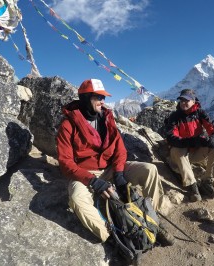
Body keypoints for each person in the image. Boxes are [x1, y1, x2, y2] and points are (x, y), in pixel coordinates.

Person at [56, 78, 174, 246]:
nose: (102, 101)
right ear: (85, 98)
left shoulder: (106, 118)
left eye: (103, 97)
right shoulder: (68, 125)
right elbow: (65, 162)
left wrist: (119, 173)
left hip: (111, 168)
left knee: (149, 170)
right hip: (86, 174)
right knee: (76, 199)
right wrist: (93, 181)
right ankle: (116, 238)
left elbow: (119, 148)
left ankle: (151, 219)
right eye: (98, 97)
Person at [165, 89, 214, 202]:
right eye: (181, 100)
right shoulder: (174, 117)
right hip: (180, 156)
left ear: (193, 101)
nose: (183, 103)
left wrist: (211, 140)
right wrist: (192, 141)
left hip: (195, 153)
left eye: (186, 100)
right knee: (177, 149)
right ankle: (192, 185)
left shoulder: (200, 114)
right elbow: (171, 138)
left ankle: (207, 180)